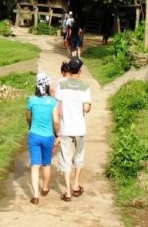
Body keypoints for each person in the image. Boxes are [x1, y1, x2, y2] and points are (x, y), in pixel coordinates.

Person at [56, 57, 92, 201]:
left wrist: (57, 125)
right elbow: (86, 108)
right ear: (80, 71)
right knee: (78, 156)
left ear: (69, 70)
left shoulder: (62, 85)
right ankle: (76, 185)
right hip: (80, 128)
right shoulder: (85, 86)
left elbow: (57, 106)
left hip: (66, 128)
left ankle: (67, 191)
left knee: (66, 158)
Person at [26, 72, 60, 205]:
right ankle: (45, 188)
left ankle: (35, 196)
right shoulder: (52, 102)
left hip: (34, 135)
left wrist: (30, 126)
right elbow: (56, 121)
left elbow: (28, 116)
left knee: (35, 165)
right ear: (47, 86)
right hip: (48, 137)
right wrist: (57, 133)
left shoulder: (32, 100)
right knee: (46, 163)